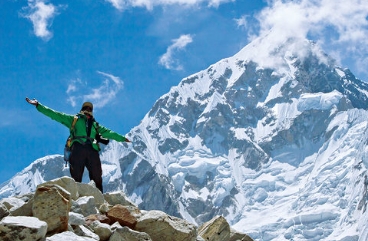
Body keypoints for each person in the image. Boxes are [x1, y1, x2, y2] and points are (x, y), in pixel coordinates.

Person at [25, 97, 131, 193]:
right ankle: (76, 198)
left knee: (97, 175)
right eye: (86, 108)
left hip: (92, 150)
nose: (88, 110)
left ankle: (99, 198)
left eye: (90, 108)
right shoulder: (74, 119)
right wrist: (39, 105)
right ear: (82, 109)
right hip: (78, 149)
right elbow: (56, 115)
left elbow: (109, 133)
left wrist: (123, 138)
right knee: (76, 175)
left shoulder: (96, 125)